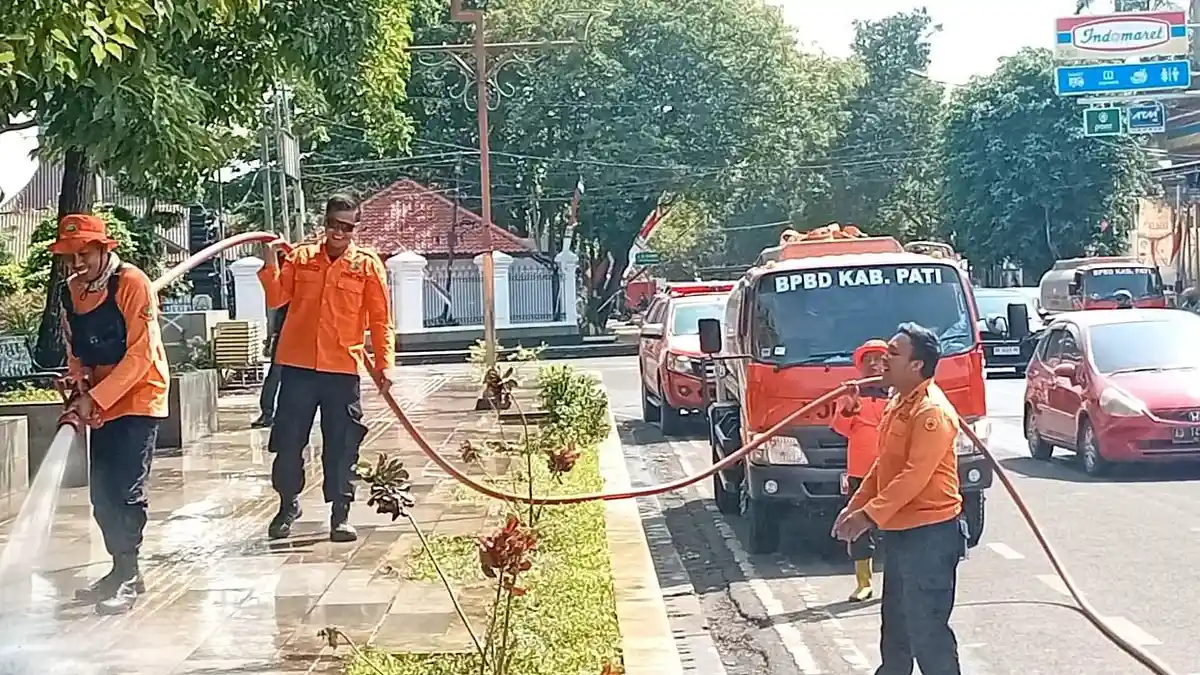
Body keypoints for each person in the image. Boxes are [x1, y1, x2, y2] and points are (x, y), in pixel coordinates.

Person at [257, 193, 395, 543]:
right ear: (325, 223)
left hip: (342, 369)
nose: (339, 233)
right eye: (334, 224)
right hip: (299, 367)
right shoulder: (301, 258)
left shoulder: (366, 265)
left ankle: (341, 514)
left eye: (347, 227)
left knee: (343, 444)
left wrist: (384, 365)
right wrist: (270, 261)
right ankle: (288, 504)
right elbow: (276, 298)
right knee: (288, 442)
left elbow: (381, 320)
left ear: (355, 229)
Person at [832, 322, 965, 675]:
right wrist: (856, 505)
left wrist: (867, 517)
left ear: (916, 366)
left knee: (928, 632)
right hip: (902, 531)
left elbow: (914, 476)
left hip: (930, 535)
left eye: (893, 354)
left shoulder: (930, 412)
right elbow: (883, 467)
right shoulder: (898, 404)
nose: (882, 361)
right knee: (896, 630)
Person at [55, 214, 171, 616]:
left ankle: (127, 571)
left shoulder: (132, 283)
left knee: (125, 490)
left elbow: (141, 354)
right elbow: (77, 348)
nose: (77, 263)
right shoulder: (72, 290)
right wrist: (79, 382)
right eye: (71, 256)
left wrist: (97, 398)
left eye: (84, 253)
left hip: (139, 395)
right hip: (100, 402)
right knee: (101, 496)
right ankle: (123, 570)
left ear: (106, 249)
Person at [830, 339, 889, 602]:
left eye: (880, 359)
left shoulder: (901, 393)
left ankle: (896, 583)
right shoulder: (851, 395)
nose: (875, 365)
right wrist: (851, 404)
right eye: (869, 361)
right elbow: (840, 428)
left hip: (893, 472)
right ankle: (863, 583)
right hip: (860, 473)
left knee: (897, 528)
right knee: (860, 528)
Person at [252, 260, 288, 429]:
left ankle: (271, 414)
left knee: (281, 378)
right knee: (276, 377)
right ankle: (268, 413)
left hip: (293, 337)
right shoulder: (285, 287)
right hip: (285, 337)